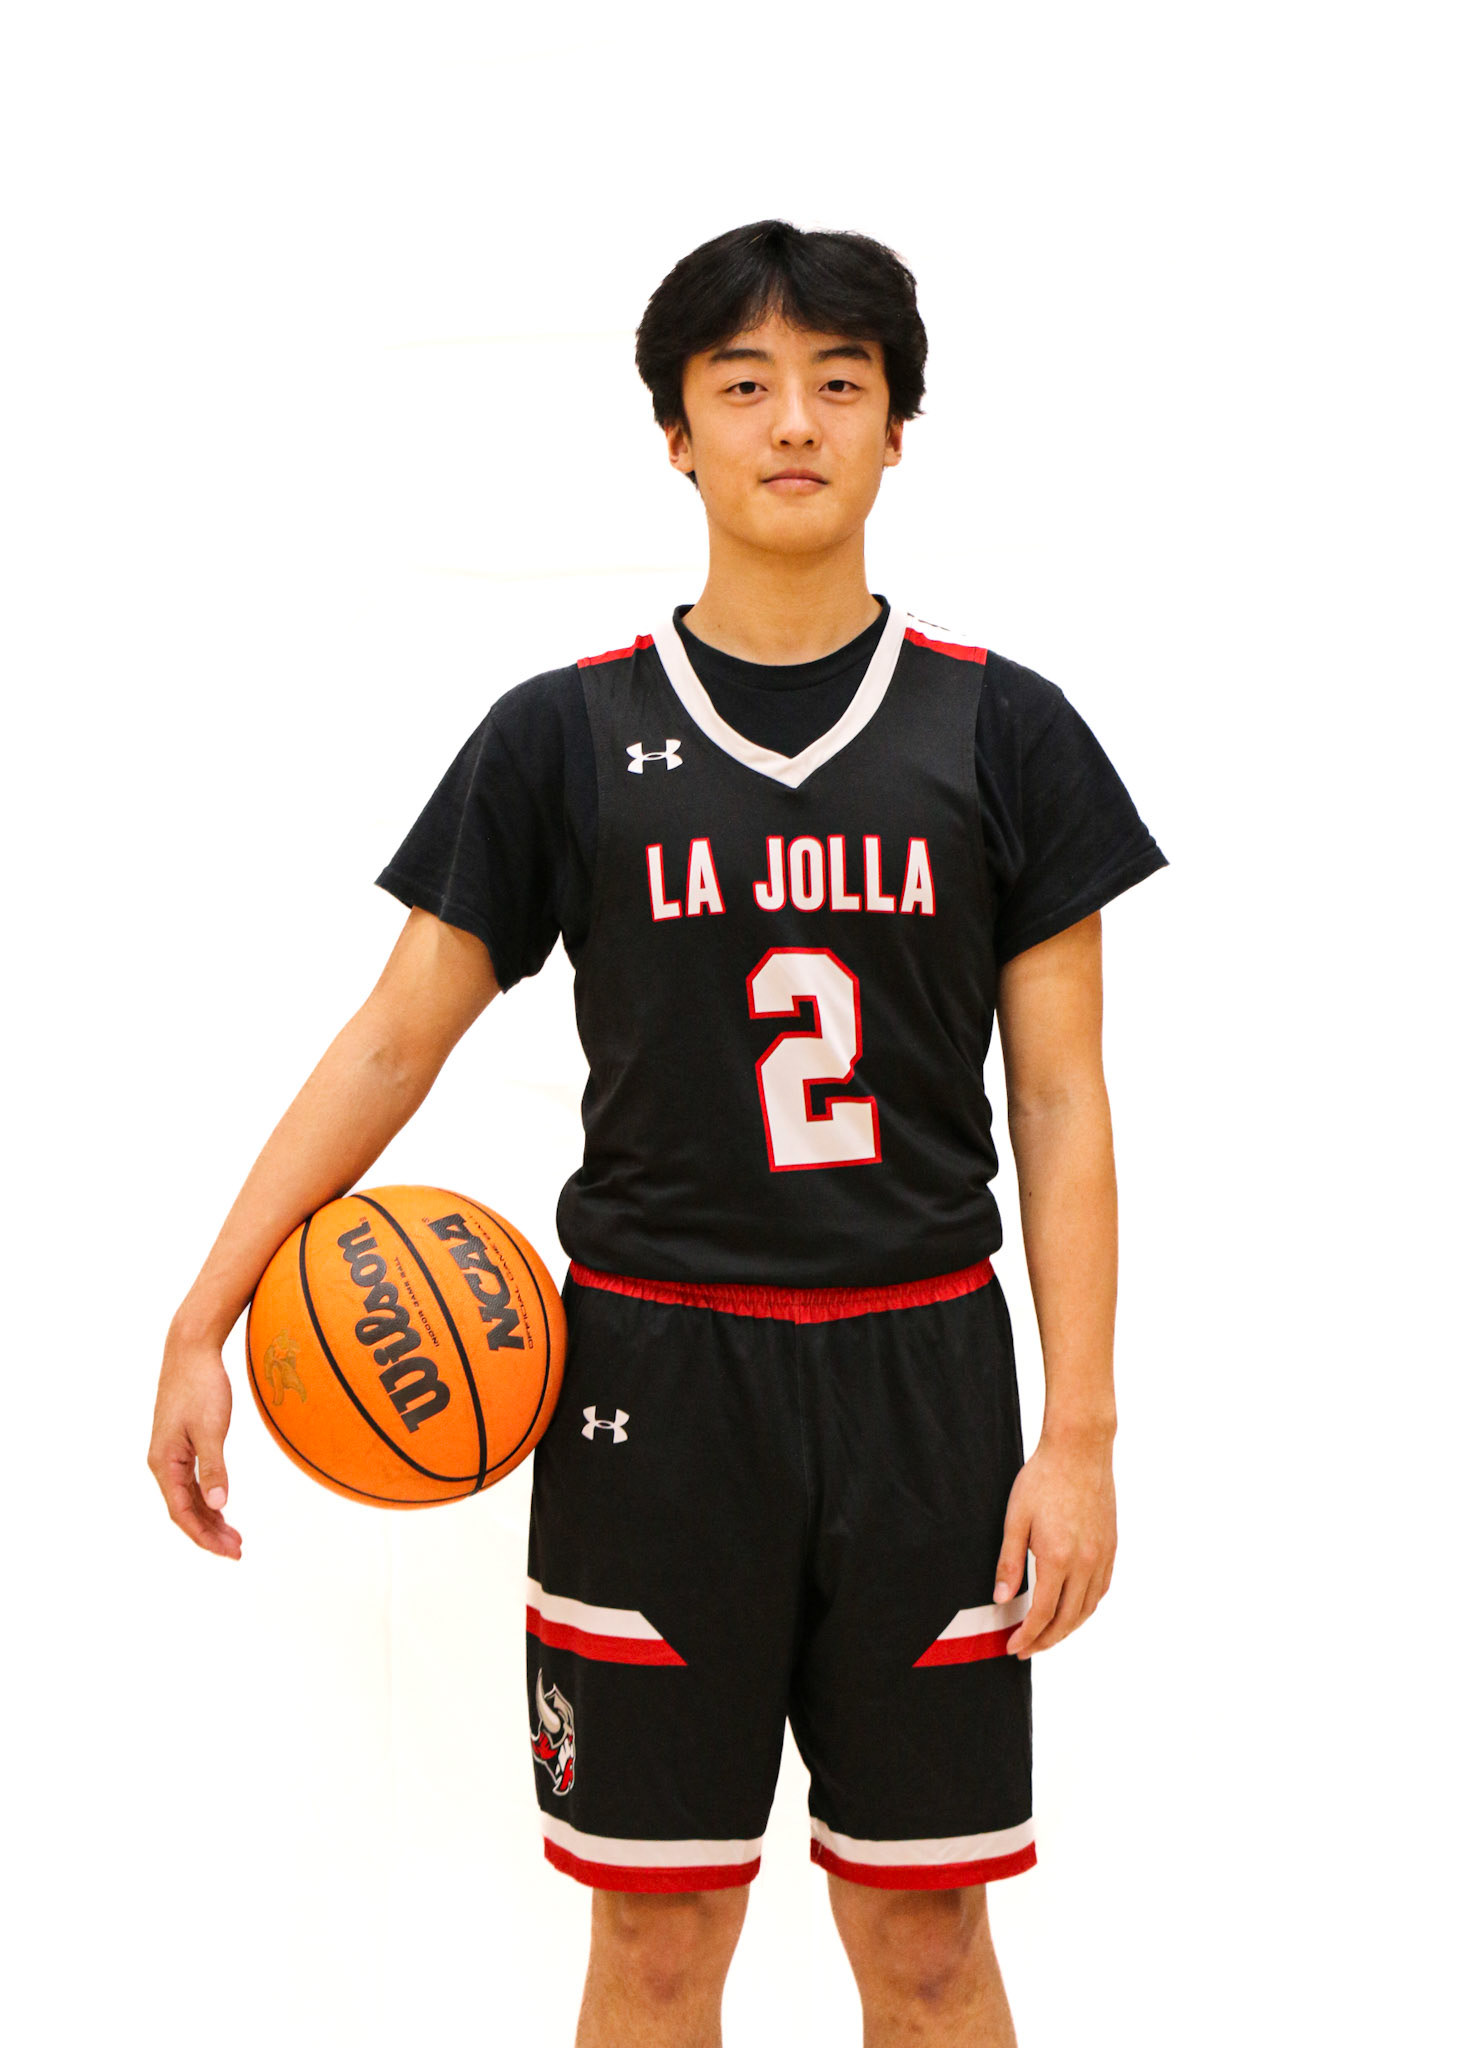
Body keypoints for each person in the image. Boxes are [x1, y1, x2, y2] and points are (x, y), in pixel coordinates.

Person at [149, 218, 1168, 2047]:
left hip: (926, 1384)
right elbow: (393, 1039)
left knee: (929, 1938)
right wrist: (201, 1314)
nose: (795, 421)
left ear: (897, 430)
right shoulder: (561, 736)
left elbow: (1062, 1098)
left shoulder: (1003, 730)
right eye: (743, 384)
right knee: (658, 1936)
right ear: (675, 434)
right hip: (654, 1389)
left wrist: (1077, 1431)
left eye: (840, 383)